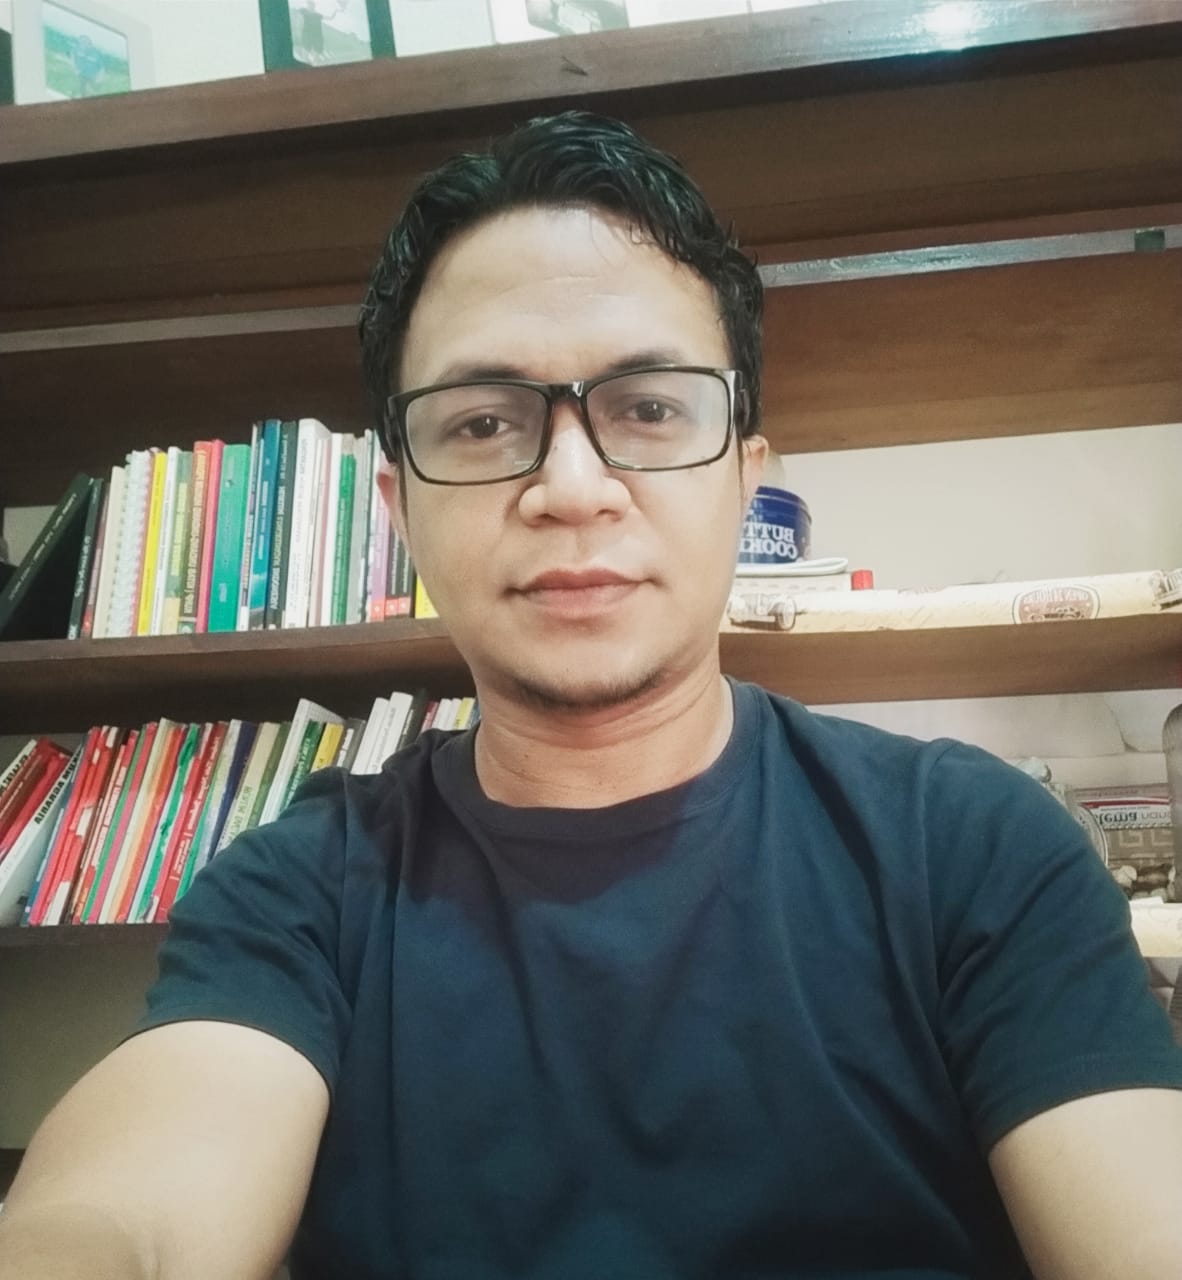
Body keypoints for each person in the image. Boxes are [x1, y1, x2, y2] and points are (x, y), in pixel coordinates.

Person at [2, 112, 1181, 1280]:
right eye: (482, 422)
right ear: (401, 510)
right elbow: (134, 1220)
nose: (572, 486)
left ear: (744, 482)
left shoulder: (976, 847)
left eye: (650, 408)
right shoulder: (300, 891)